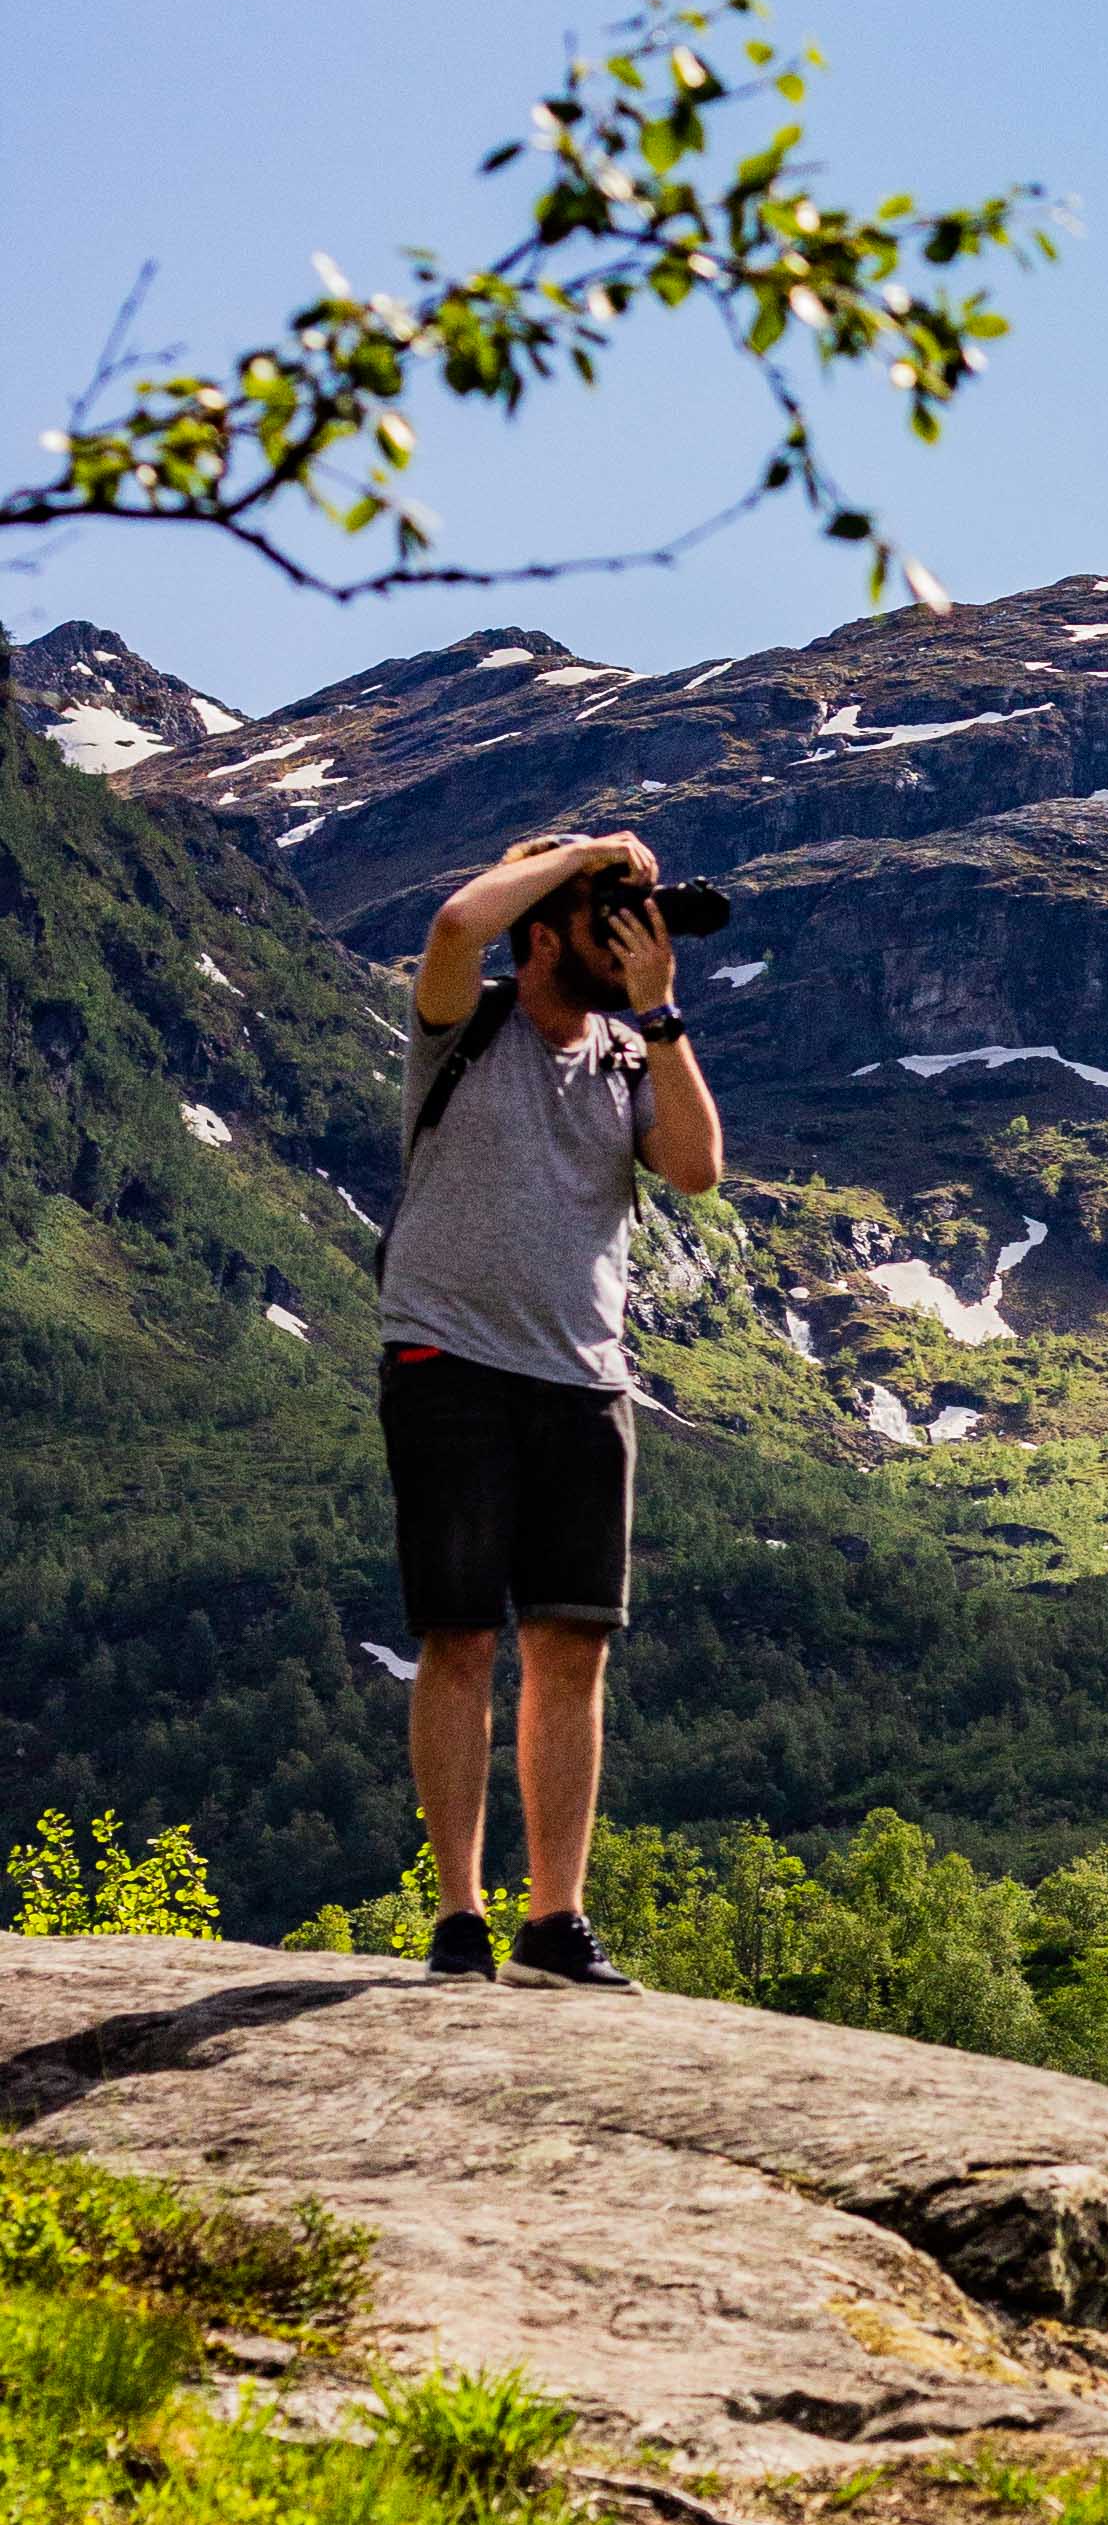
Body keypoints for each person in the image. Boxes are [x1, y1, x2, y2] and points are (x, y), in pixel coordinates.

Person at [375, 829, 724, 1987]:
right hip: (450, 1360)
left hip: (584, 1376)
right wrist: (584, 850)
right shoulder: (460, 1024)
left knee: (571, 1644)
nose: (629, 936)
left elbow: (695, 1168)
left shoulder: (631, 1057)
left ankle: (555, 1921)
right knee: (460, 1637)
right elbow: (453, 927)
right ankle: (461, 1917)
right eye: (605, 918)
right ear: (545, 933)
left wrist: (661, 1011)